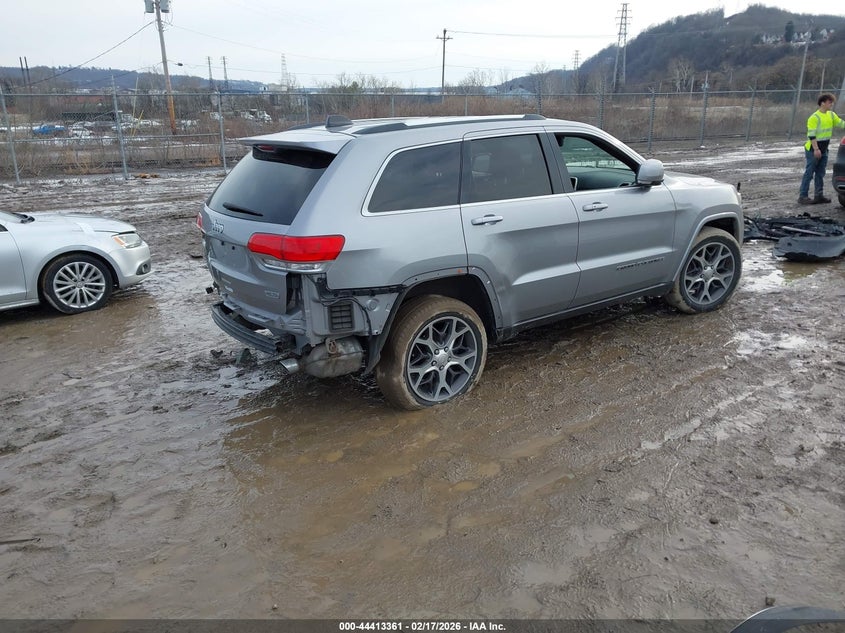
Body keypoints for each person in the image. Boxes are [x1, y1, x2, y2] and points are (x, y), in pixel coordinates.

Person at [798, 93, 845, 204]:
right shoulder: (814, 117)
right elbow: (811, 135)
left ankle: (819, 195)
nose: (831, 104)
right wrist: (816, 149)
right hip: (813, 149)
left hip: (824, 149)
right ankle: (803, 196)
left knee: (820, 173)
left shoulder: (831, 115)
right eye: (829, 102)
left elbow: (841, 123)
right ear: (822, 103)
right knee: (809, 173)